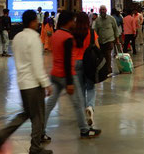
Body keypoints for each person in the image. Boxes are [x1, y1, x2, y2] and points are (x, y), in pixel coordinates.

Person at [0, 10, 52, 154]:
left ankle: (3, 135)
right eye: (36, 21)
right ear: (32, 22)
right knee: (38, 116)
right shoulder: (34, 38)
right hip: (33, 84)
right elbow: (37, 65)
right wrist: (46, 83)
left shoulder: (18, 37)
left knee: (27, 113)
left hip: (22, 83)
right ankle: (35, 147)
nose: (38, 23)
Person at [43, 11, 101, 140]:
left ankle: (40, 130)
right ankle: (84, 130)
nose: (74, 22)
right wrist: (69, 82)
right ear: (67, 22)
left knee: (50, 104)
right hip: (66, 74)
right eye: (72, 20)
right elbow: (67, 60)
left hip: (55, 73)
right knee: (78, 102)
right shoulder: (68, 37)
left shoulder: (56, 34)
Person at [72, 12, 99, 128]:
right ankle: (90, 107)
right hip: (89, 63)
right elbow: (97, 48)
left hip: (76, 63)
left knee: (81, 89)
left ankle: (83, 112)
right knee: (91, 87)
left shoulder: (72, 33)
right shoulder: (92, 33)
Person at [93, 5, 119, 76]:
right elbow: (95, 31)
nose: (102, 11)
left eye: (103, 9)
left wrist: (117, 39)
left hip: (109, 40)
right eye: (101, 10)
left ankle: (108, 70)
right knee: (102, 56)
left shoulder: (111, 19)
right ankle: (104, 69)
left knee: (108, 55)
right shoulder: (97, 20)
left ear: (106, 10)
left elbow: (115, 29)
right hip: (101, 41)